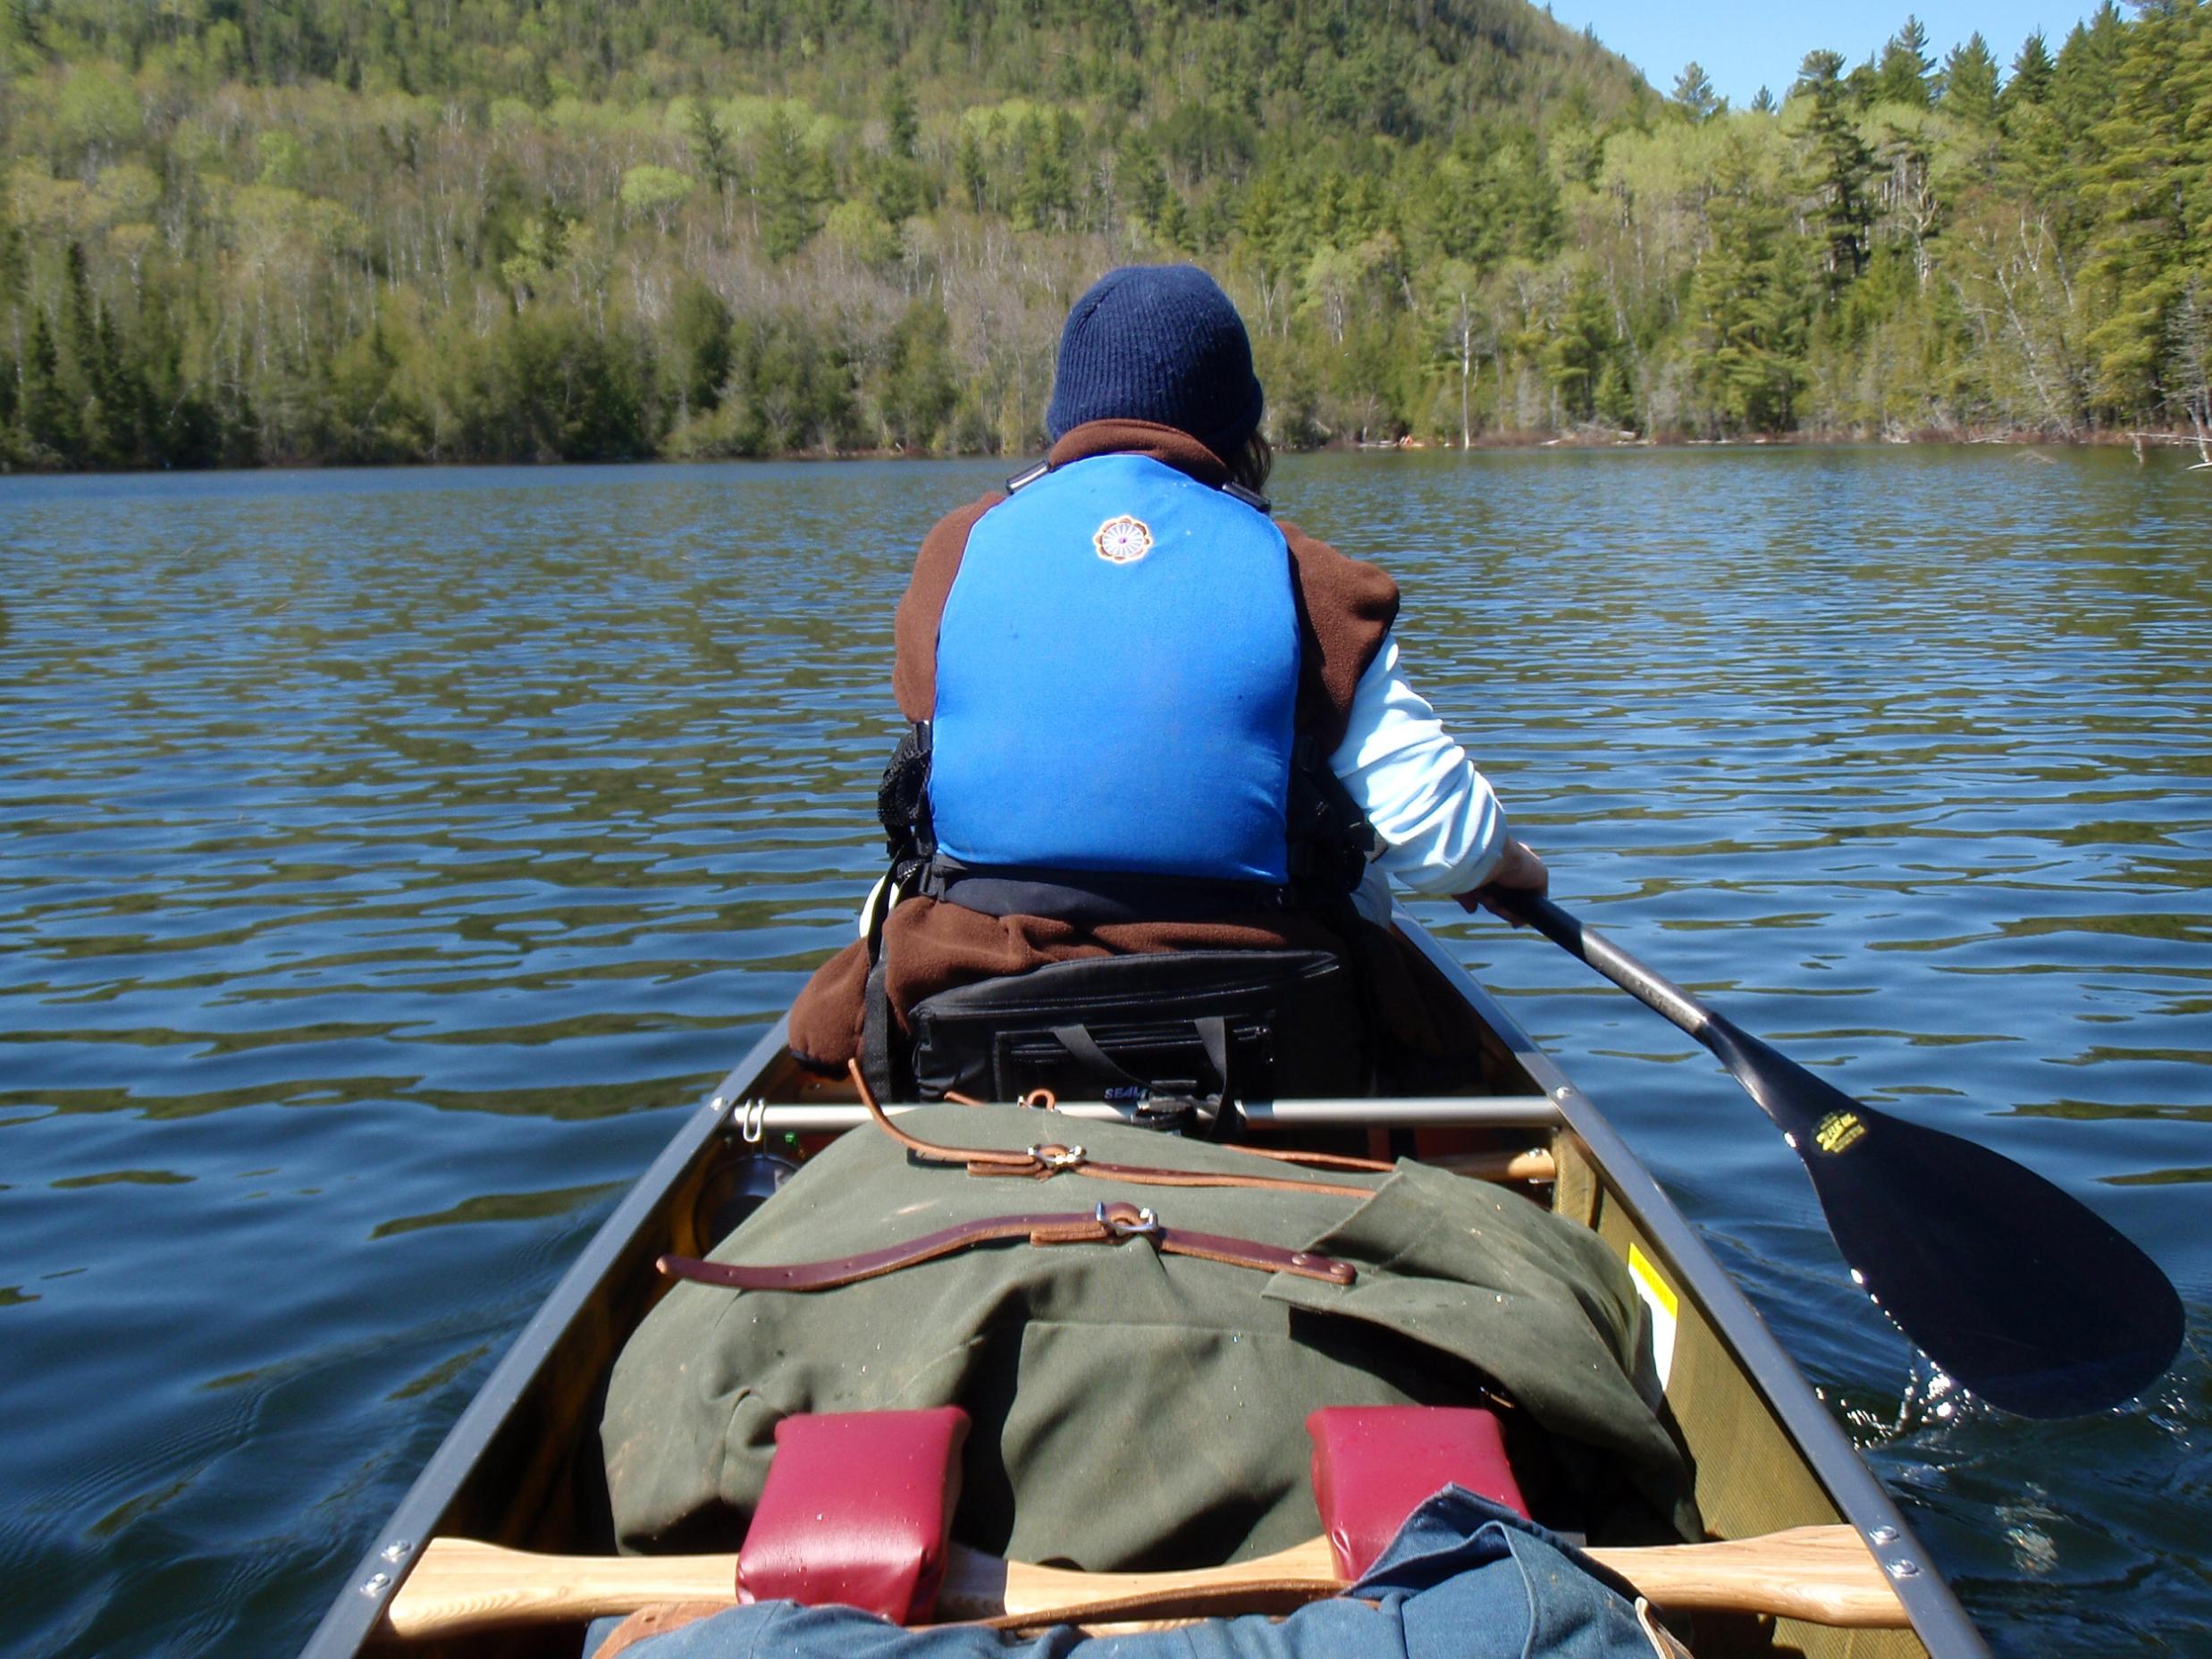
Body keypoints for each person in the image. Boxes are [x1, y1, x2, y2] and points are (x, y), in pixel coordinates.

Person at [787, 263, 1546, 1086]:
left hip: (981, 1009)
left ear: (1067, 418)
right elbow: (1446, 844)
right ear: (1237, 429)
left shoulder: (952, 557)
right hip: (1265, 1016)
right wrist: (1507, 867)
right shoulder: (1312, 583)